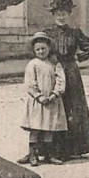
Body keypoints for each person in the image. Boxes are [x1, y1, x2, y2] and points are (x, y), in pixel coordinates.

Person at [45, 0, 89, 160]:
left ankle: (71, 149)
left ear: (69, 15)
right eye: (58, 14)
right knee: (53, 107)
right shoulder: (47, 33)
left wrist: (78, 58)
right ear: (53, 15)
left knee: (72, 107)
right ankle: (48, 149)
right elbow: (36, 48)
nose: (61, 17)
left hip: (71, 73)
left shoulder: (75, 33)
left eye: (64, 13)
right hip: (53, 71)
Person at [20, 32, 68, 166]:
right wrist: (39, 96)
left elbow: (61, 80)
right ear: (34, 51)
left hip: (52, 101)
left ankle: (49, 155)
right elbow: (30, 83)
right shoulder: (33, 64)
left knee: (49, 128)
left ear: (49, 49)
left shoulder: (54, 64)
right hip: (37, 102)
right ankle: (32, 154)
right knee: (35, 128)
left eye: (43, 48)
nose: (41, 51)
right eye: (38, 49)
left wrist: (54, 94)